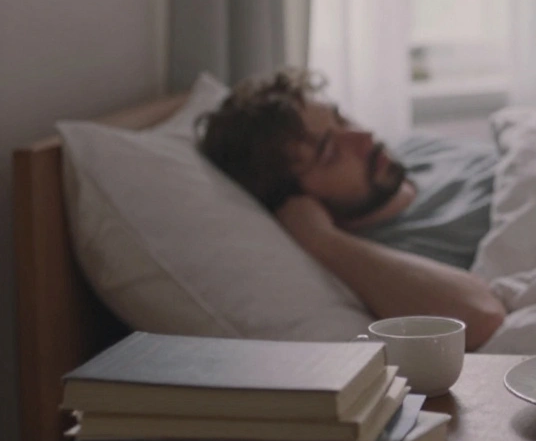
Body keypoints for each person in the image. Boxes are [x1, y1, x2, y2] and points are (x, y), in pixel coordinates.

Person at [197, 69, 508, 351]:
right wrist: (322, 240)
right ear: (297, 200)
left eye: (342, 119)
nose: (364, 138)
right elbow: (482, 315)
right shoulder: (385, 259)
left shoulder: (414, 149)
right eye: (330, 152)